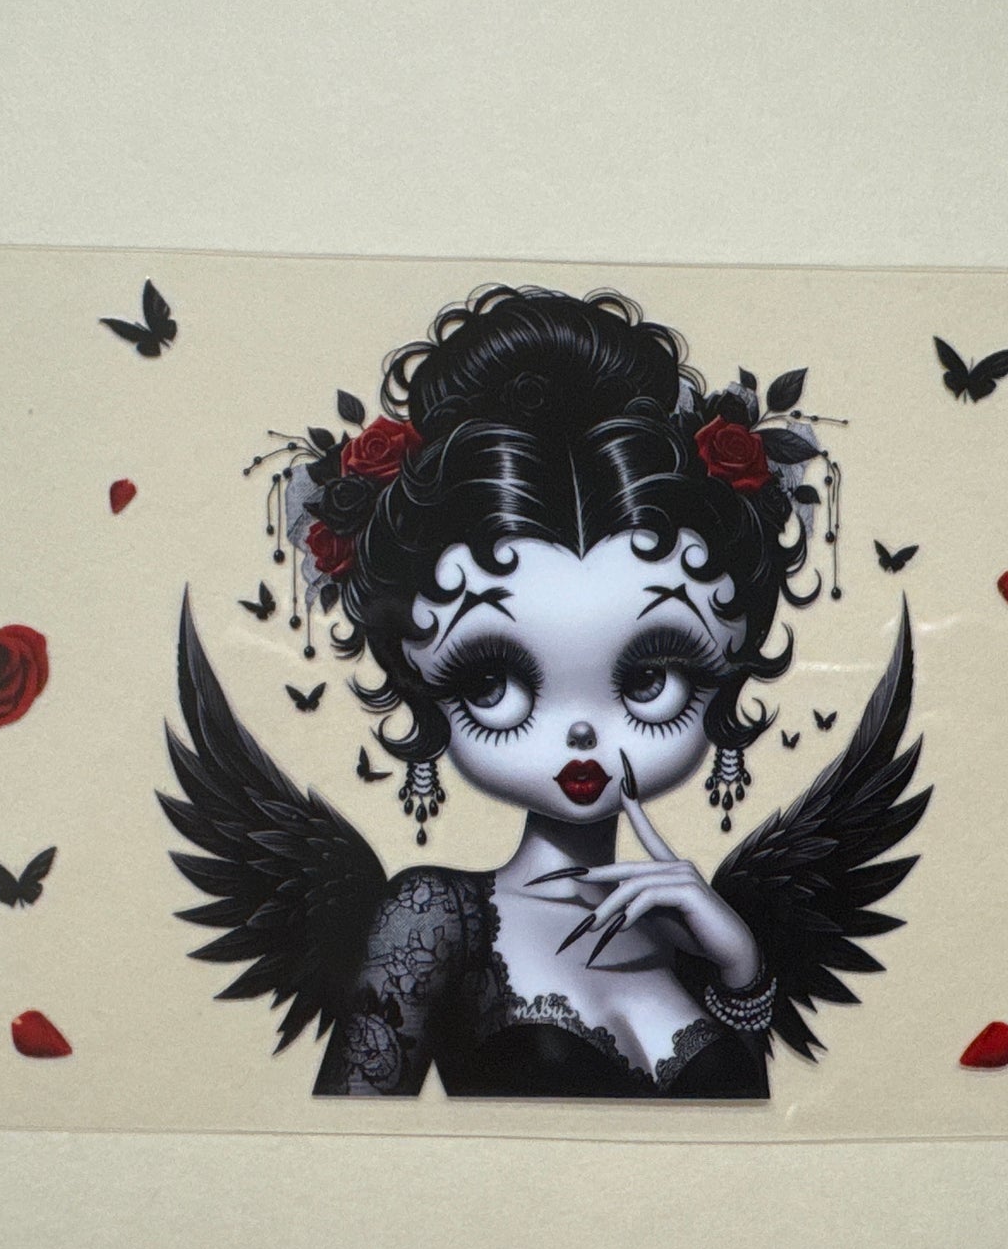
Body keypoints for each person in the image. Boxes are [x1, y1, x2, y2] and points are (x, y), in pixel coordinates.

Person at [160, 285, 928, 1098]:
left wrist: (741, 967)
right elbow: (353, 1142)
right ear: (423, 686)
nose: (582, 735)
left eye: (650, 679)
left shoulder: (698, 930)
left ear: (727, 676)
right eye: (493, 682)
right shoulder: (435, 917)